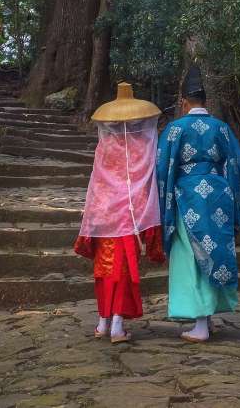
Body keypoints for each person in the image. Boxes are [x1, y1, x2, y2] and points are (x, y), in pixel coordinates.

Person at [157, 66, 240, 343]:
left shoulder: (174, 129)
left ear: (184, 102)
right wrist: (233, 198)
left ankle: (200, 324)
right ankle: (207, 317)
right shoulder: (222, 128)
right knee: (213, 250)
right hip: (218, 195)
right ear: (205, 101)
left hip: (187, 196)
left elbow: (163, 168)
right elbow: (236, 165)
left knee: (192, 257)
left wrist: (165, 200)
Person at [73, 82, 166, 343]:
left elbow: (97, 182)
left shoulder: (105, 146)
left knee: (104, 270)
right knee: (122, 270)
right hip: (132, 216)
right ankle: (115, 324)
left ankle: (103, 322)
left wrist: (93, 213)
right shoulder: (142, 146)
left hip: (105, 216)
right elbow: (146, 181)